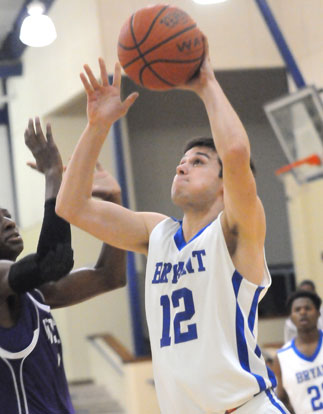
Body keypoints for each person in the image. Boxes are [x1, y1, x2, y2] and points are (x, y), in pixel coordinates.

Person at [56, 43, 289, 413]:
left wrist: (206, 84)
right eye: (181, 162)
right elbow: (70, 207)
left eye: (197, 162)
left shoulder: (236, 231)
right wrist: (97, 126)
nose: (181, 167)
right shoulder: (159, 233)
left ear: (225, 183)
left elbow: (236, 155)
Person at [0, 118, 126, 414]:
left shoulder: (37, 295)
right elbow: (52, 261)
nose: (9, 221)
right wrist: (54, 174)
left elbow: (110, 276)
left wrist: (113, 205)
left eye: (8, 214)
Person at [273, 290, 323, 414]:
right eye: (297, 309)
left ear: (318, 313)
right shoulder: (281, 357)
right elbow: (282, 399)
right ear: (291, 317)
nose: (302, 312)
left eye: (308, 308)